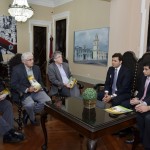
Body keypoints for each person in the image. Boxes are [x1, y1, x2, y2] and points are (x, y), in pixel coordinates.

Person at [11, 52, 51, 125]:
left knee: (48, 101)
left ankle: (28, 112)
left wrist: (39, 86)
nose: (32, 61)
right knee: (30, 105)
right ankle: (32, 118)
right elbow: (13, 84)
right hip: (25, 92)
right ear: (23, 61)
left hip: (36, 91)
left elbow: (40, 81)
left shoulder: (36, 68)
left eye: (32, 59)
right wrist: (27, 89)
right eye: (29, 60)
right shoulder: (16, 69)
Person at [130, 61, 150, 150]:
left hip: (148, 104)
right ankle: (138, 138)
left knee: (145, 116)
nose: (143, 71)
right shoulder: (143, 77)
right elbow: (141, 92)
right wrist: (137, 99)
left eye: (146, 69)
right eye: (143, 69)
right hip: (144, 102)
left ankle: (145, 143)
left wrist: (143, 104)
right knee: (131, 109)